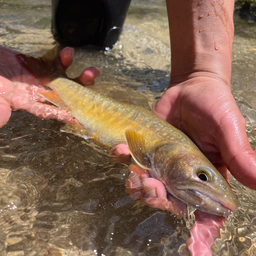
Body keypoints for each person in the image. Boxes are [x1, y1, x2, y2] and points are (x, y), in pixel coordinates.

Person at [0, 0, 255, 254]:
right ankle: (53, 67)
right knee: (77, 27)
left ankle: (54, 67)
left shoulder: (169, 155)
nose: (203, 181)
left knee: (96, 28)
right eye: (202, 176)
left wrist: (202, 74)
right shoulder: (153, 153)